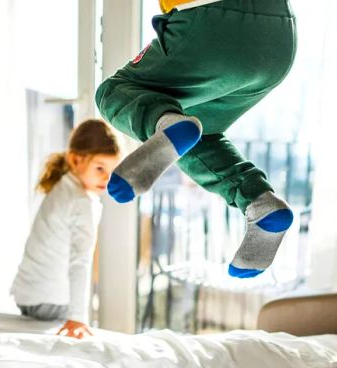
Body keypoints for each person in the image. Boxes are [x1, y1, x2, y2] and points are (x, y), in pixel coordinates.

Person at [96, 0, 297, 279]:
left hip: (212, 21)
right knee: (199, 131)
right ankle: (260, 203)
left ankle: (165, 122)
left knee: (114, 91)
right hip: (280, 39)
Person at [11, 119, 120, 339]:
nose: (107, 178)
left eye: (112, 170)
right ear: (75, 160)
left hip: (27, 297)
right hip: (48, 303)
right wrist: (77, 317)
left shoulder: (62, 187)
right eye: (99, 168)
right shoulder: (81, 202)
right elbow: (80, 261)